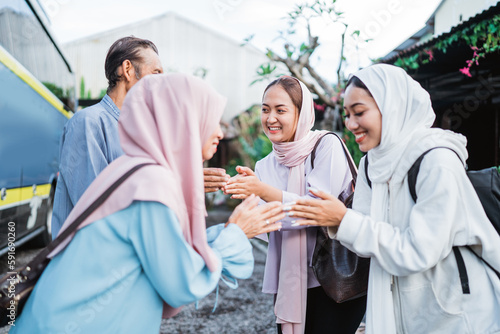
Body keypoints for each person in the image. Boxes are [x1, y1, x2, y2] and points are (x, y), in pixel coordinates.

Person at [10, 73, 284, 333]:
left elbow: (163, 252)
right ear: (184, 122)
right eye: (212, 120)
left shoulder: (135, 168)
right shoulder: (151, 183)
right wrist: (236, 233)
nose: (220, 133)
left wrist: (227, 230)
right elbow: (182, 281)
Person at [286, 64, 500, 333]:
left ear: (393, 107)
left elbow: (418, 251)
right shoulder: (370, 164)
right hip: (398, 310)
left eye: (359, 112)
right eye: (347, 115)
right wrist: (339, 221)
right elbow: (365, 244)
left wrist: (343, 220)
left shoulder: (437, 160)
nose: (351, 124)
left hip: (455, 315)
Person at [223, 76, 366, 334]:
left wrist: (263, 191)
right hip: (289, 282)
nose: (270, 118)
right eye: (265, 109)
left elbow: (316, 211)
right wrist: (244, 204)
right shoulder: (264, 165)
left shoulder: (326, 146)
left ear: (301, 113)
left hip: (335, 278)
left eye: (281, 110)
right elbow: (267, 226)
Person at [51, 36, 231, 238]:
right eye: (156, 73)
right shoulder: (88, 122)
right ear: (128, 70)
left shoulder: (142, 131)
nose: (163, 81)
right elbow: (96, 206)